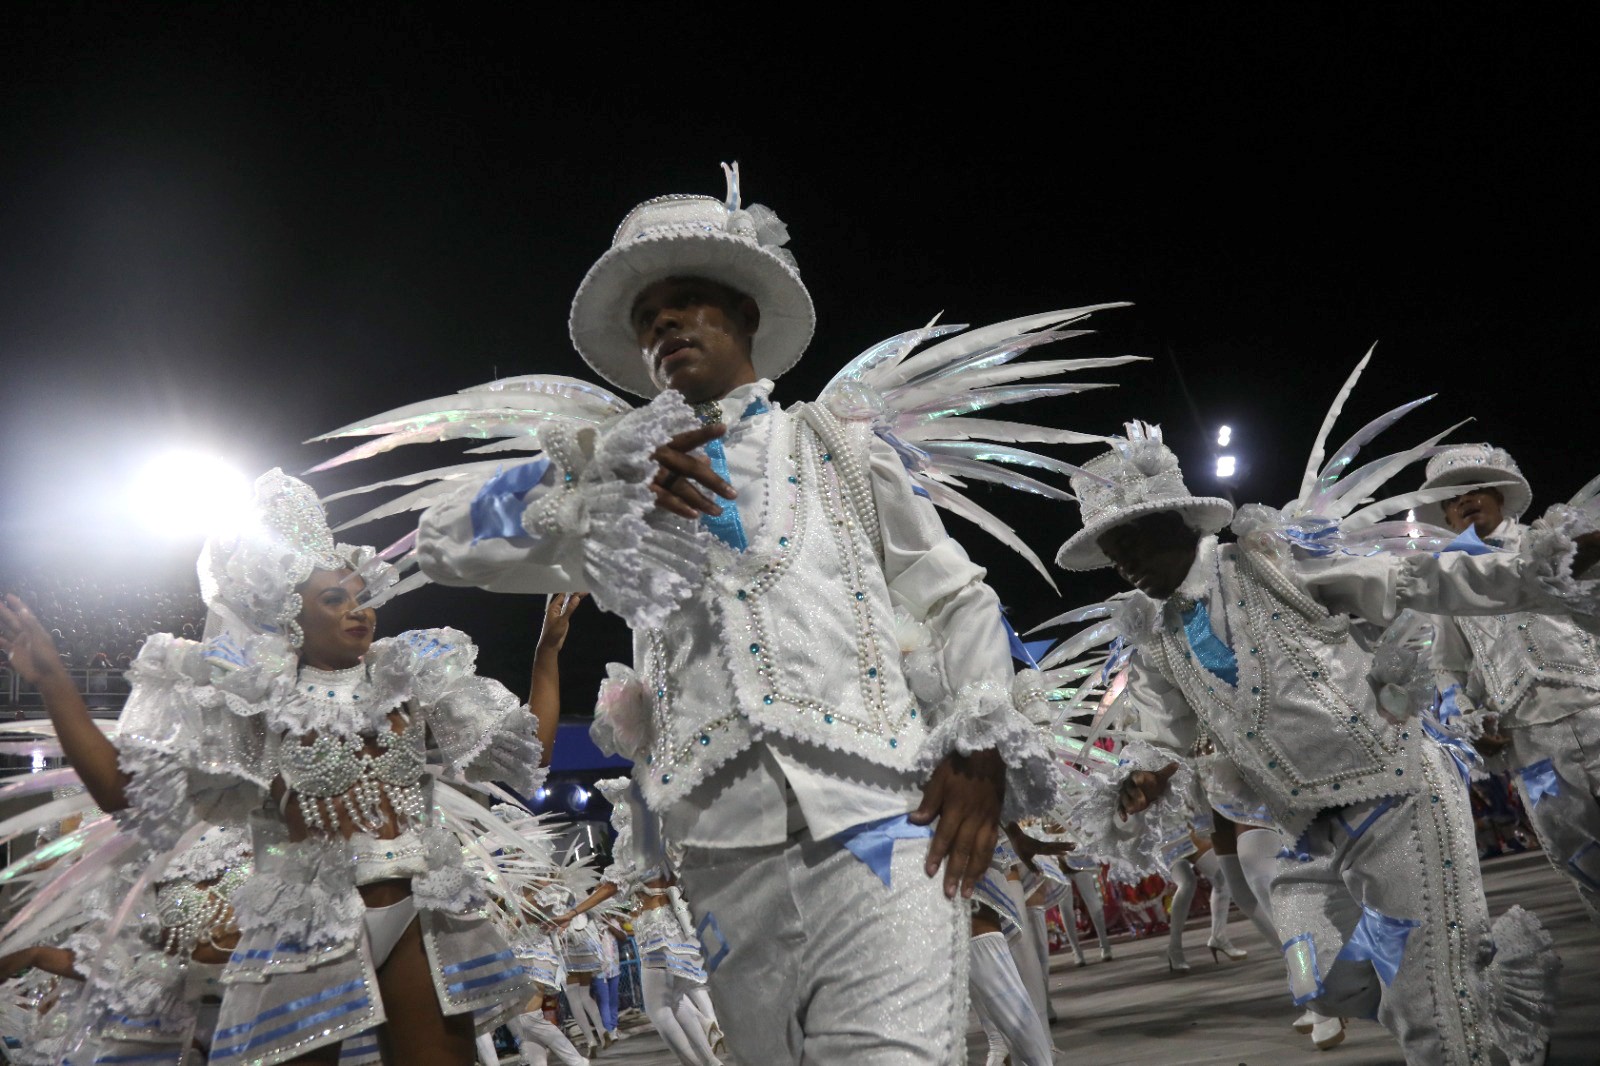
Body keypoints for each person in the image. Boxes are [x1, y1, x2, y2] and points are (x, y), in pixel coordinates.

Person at [403, 167, 1088, 1065]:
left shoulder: (838, 449)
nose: (666, 326)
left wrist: (979, 745)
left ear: (745, 317)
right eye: (649, 318)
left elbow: (958, 600)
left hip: (879, 819)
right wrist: (598, 472)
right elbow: (441, 540)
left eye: (689, 303)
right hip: (722, 853)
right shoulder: (612, 497)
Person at [1056, 422, 1596, 1066]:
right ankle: (1460, 972)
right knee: (1317, 976)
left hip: (1397, 798)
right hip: (1304, 834)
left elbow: (1414, 580)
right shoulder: (1156, 635)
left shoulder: (1271, 562)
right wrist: (1144, 776)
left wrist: (1536, 565)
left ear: (1177, 525)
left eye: (1126, 542)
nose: (1120, 563)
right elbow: (1157, 732)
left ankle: (1451, 999)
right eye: (1110, 552)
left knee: (1432, 1013)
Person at [0, 470, 554, 1066]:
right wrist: (54, 680)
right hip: (310, 921)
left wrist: (547, 650)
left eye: (362, 596)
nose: (358, 610)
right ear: (293, 615)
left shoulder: (408, 674)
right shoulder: (257, 697)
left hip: (419, 906)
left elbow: (527, 752)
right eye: (334, 599)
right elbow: (122, 792)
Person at [1421, 444, 1600, 927]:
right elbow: (1447, 666)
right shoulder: (1447, 578)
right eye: (1455, 497)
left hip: (1594, 706)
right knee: (1578, 853)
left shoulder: (1553, 542)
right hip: (1530, 742)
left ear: (1501, 496)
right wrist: (1464, 714)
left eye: (1478, 488)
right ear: (1446, 514)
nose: (1467, 500)